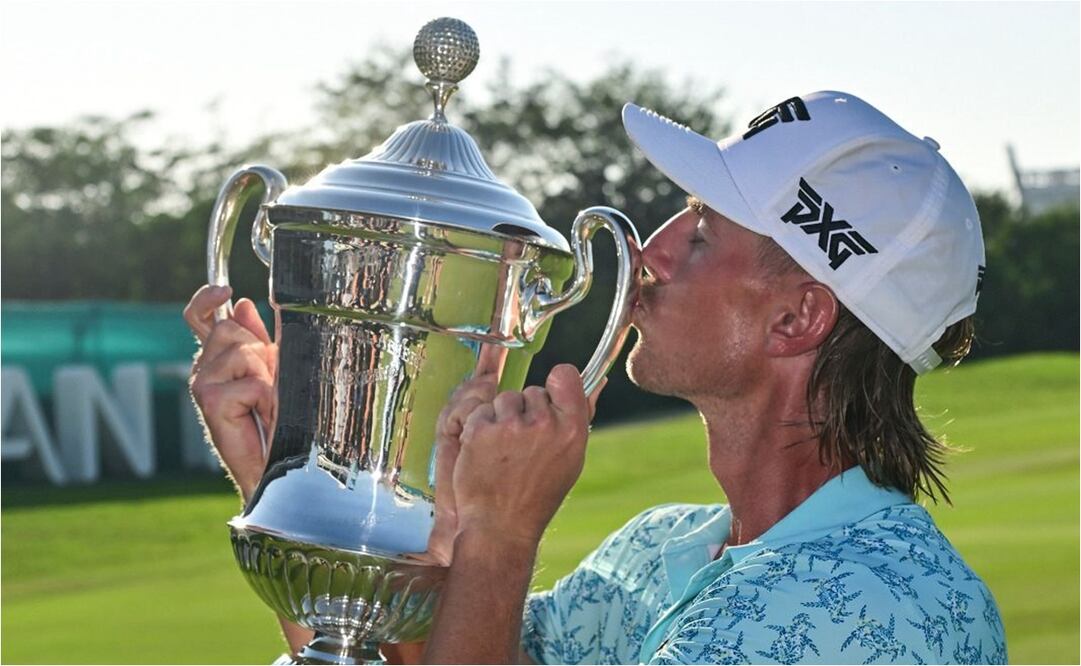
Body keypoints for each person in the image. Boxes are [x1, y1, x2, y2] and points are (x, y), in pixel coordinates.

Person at [185, 90, 1006, 664]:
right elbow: (405, 654)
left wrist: (500, 539)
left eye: (697, 234)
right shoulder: (658, 550)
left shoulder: (875, 609)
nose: (647, 252)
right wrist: (295, 468)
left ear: (795, 319)